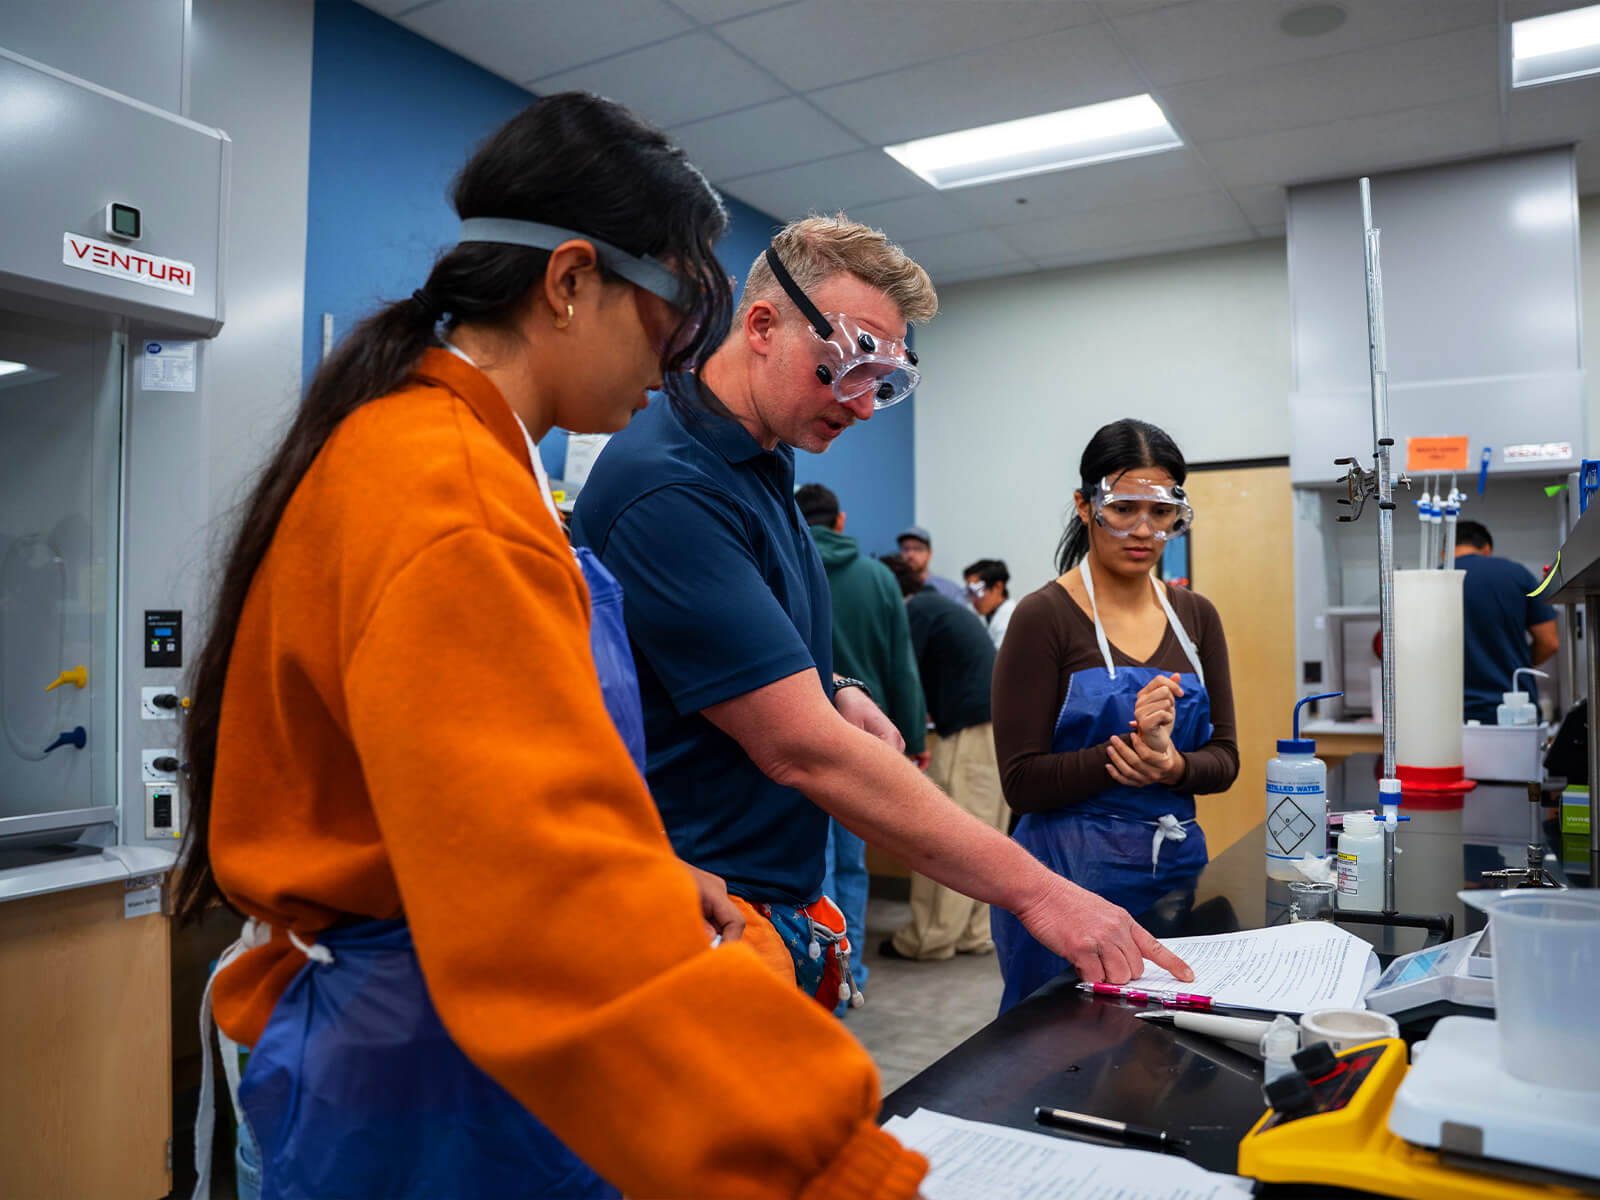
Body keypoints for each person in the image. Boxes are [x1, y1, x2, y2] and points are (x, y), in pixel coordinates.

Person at [175, 96, 933, 1200]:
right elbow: (542, 904)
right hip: (425, 1071)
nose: (680, 358)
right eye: (675, 316)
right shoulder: (452, 496)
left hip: (440, 1028)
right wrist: (833, 1165)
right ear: (571, 281)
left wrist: (659, 872)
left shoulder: (442, 453)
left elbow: (455, 788)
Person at [573, 215, 1191, 1013]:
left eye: (883, 384)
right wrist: (1039, 894)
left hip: (768, 893)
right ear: (762, 324)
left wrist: (833, 684)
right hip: (699, 909)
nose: (862, 408)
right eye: (845, 368)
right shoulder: (671, 487)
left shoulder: (762, 459)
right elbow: (803, 751)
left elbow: (710, 651)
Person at [990, 419, 1238, 1013]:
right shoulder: (1043, 616)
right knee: (1062, 1048)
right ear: (1085, 506)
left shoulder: (1196, 617)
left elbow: (1225, 759)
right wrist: (1121, 758)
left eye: (1161, 512)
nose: (1143, 531)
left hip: (1175, 873)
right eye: (1123, 508)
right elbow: (1019, 781)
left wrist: (1173, 763)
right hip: (1063, 883)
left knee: (1168, 1045)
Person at [797, 482, 927, 1002]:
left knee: (813, 866)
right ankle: (849, 978)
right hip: (864, 745)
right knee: (851, 863)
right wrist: (914, 739)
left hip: (794, 742)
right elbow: (902, 667)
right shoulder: (878, 577)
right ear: (842, 522)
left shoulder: (782, 564)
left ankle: (811, 977)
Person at [879, 552, 1009, 961]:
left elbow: (902, 675)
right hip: (995, 729)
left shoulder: (915, 611)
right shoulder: (941, 607)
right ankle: (973, 933)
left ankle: (928, 939)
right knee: (986, 837)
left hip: (970, 733)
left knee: (949, 837)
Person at [1454, 519, 1560, 723]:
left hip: (1450, 716)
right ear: (1486, 548)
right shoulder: (1517, 574)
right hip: (1515, 712)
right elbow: (1550, 642)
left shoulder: (1435, 579)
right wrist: (1512, 663)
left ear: (1445, 551)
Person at [897, 524, 967, 603]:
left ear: (929, 554)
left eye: (917, 548)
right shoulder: (894, 587)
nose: (910, 554)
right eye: (905, 549)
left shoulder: (949, 589)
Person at [964, 558, 1016, 649]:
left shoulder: (1011, 619)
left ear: (998, 587)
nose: (972, 600)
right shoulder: (983, 616)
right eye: (969, 593)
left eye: (976, 592)